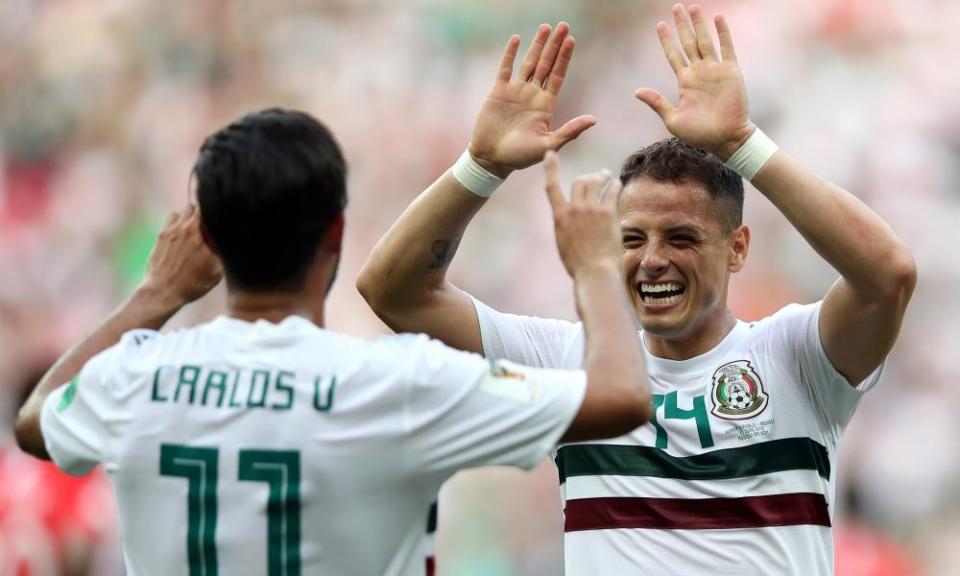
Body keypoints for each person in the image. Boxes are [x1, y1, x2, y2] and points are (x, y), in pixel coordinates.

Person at [358, 5, 916, 575]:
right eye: (632, 238)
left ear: (738, 247)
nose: (652, 260)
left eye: (681, 238)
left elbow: (887, 275)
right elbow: (393, 292)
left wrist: (743, 143)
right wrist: (480, 166)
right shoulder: (570, 363)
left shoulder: (795, 357)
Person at [13, 108, 652, 575]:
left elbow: (36, 418)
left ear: (205, 240)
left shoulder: (134, 376)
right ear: (336, 233)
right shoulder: (394, 382)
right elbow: (623, 396)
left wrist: (156, 294)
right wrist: (594, 265)